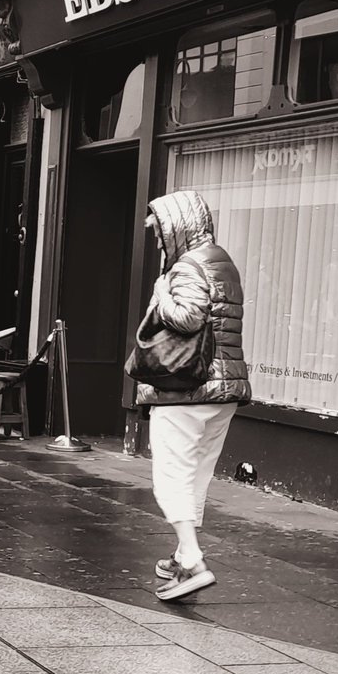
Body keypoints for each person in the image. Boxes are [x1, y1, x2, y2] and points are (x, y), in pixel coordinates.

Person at [137, 190, 251, 601]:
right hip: (222, 389)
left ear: (178, 227)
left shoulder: (187, 265)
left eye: (160, 233)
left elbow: (187, 318)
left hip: (185, 388)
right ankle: (182, 557)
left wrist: (160, 292)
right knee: (195, 476)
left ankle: (192, 559)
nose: (158, 242)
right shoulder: (221, 262)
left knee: (171, 477)